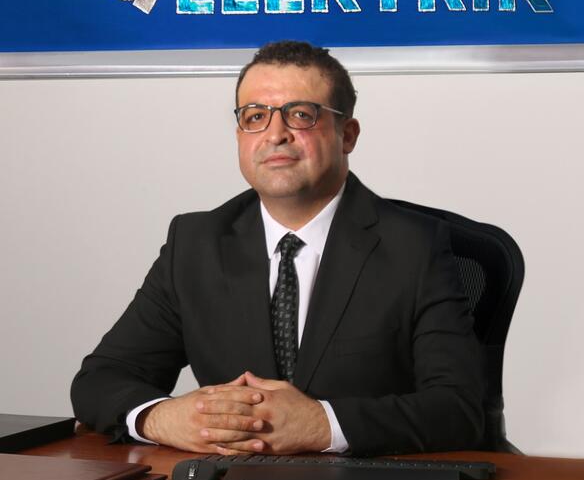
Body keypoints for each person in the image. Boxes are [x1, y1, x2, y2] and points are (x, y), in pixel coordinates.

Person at [71, 40, 484, 456]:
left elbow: (459, 409)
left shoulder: (416, 246)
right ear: (239, 135)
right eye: (255, 117)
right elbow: (100, 379)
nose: (275, 134)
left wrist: (322, 424)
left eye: (301, 115)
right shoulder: (196, 244)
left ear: (347, 135)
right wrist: (164, 418)